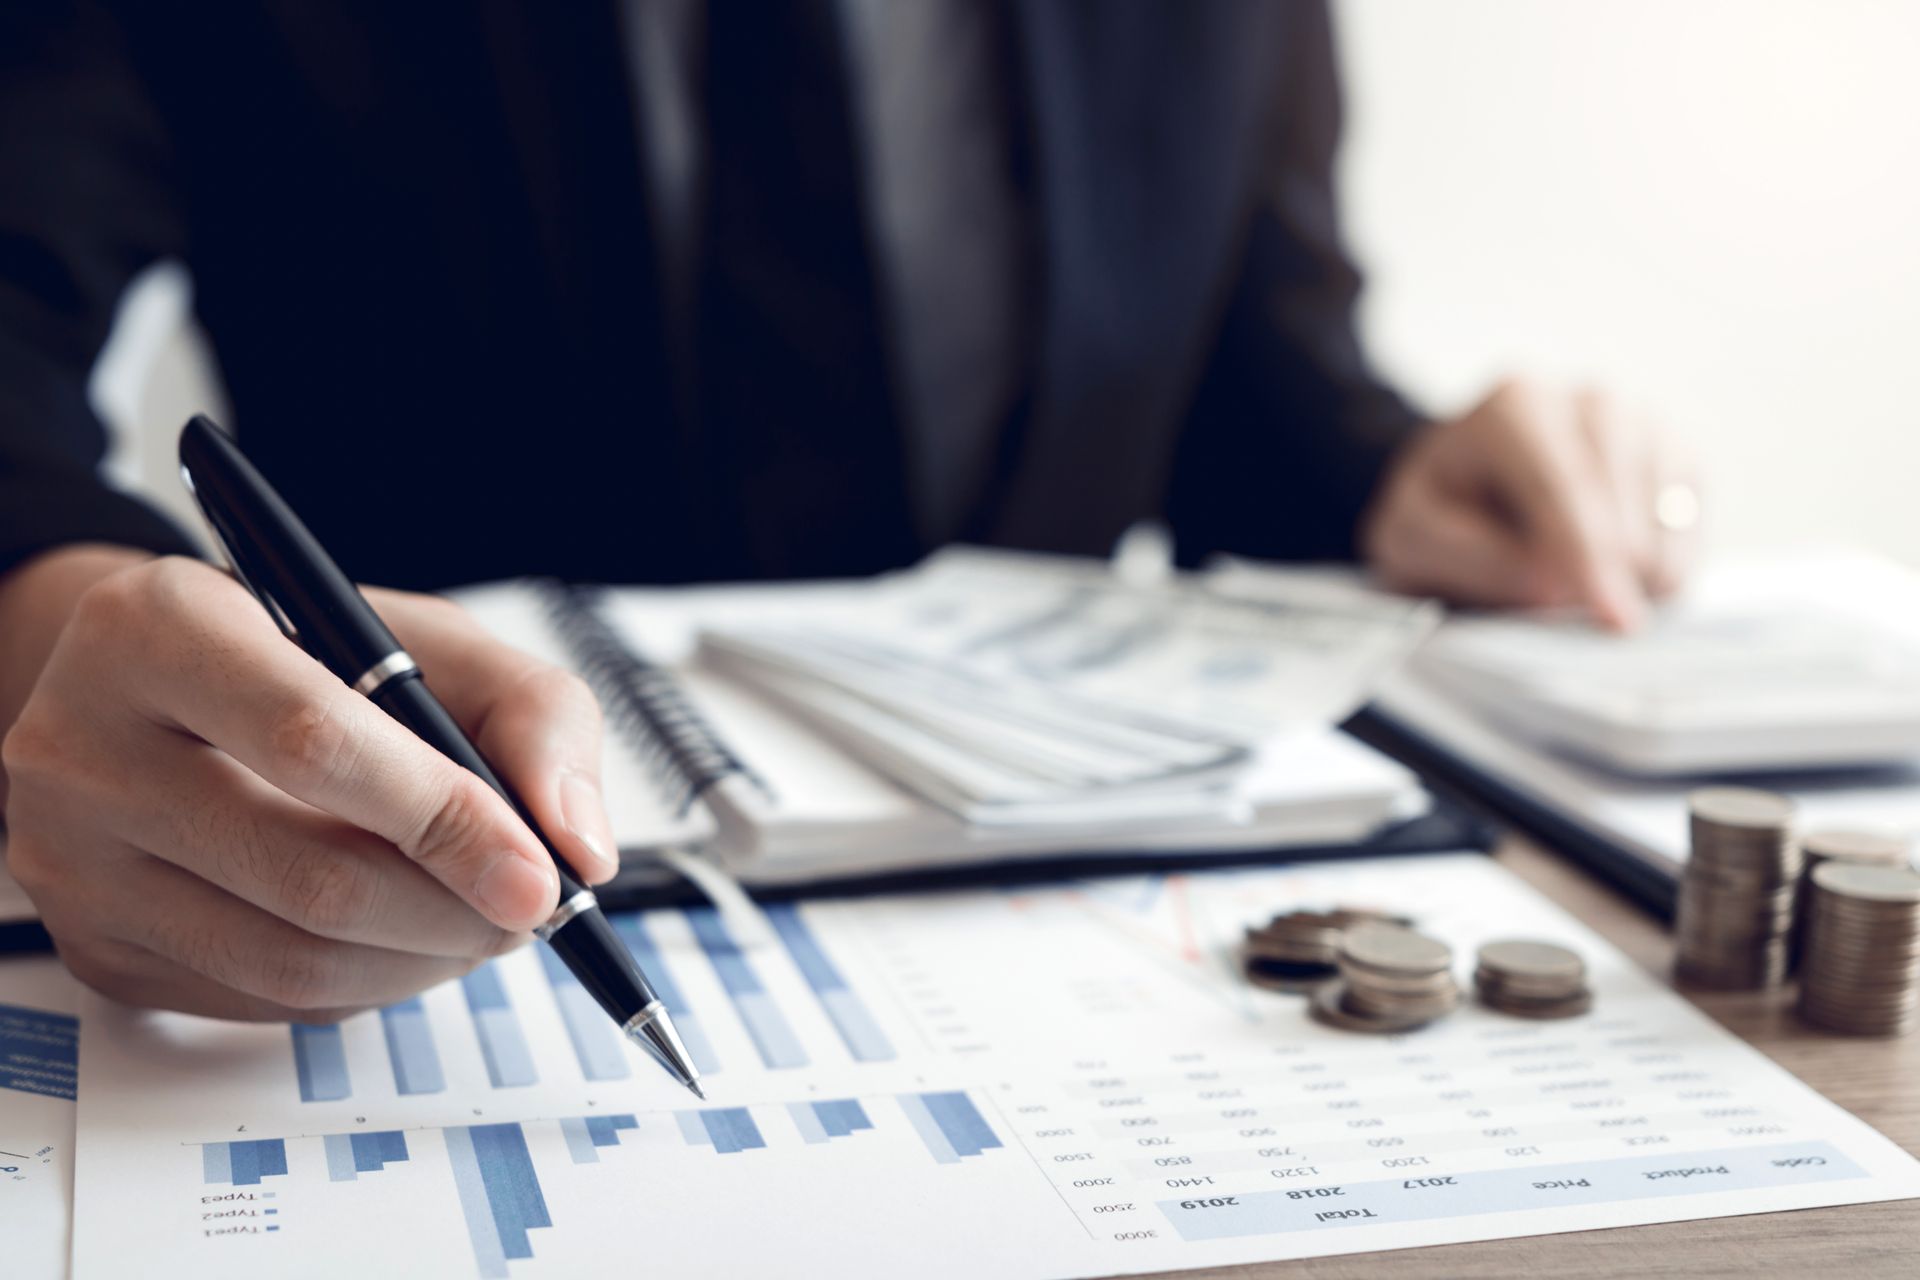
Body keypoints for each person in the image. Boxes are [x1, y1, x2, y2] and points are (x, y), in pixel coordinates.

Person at [0, 2, 1695, 1022]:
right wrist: (57, 608)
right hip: (408, 856)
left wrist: (1394, 471)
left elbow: (1243, 356)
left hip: (1046, 895)